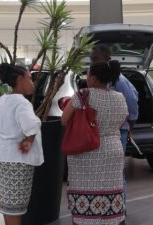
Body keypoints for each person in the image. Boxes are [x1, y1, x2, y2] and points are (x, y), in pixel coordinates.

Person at [62, 60, 128, 225]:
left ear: (94, 78)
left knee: (83, 203)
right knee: (109, 198)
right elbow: (122, 121)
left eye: (88, 73)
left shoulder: (83, 95)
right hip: (113, 150)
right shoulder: (120, 97)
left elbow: (64, 120)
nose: (87, 77)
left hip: (86, 151)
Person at [0, 63, 44, 225]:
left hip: (4, 157)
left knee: (8, 206)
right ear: (20, 79)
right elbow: (32, 125)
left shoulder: (2, 99)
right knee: (16, 208)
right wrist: (29, 140)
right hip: (18, 161)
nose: (33, 82)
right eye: (30, 78)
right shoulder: (21, 103)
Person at [90, 44, 139, 217]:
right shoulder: (97, 80)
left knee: (116, 173)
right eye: (92, 58)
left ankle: (120, 210)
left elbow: (132, 108)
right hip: (100, 133)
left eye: (95, 58)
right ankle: (105, 209)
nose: (92, 62)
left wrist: (128, 129)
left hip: (118, 133)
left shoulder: (120, 82)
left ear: (107, 59)